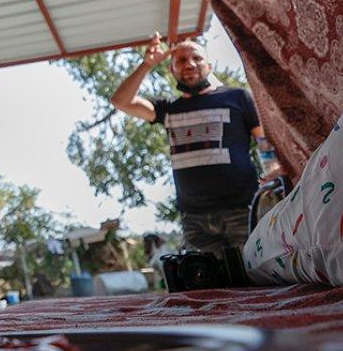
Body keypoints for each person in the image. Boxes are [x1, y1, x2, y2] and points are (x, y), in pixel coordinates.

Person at [110, 33, 264, 254]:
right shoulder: (168, 108)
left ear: (209, 66)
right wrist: (147, 64)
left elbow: (265, 140)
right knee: (210, 286)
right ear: (172, 70)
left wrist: (275, 168)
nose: (189, 64)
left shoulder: (238, 97)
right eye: (181, 61)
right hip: (195, 219)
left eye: (197, 58)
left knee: (255, 277)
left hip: (243, 208)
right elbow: (120, 101)